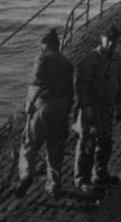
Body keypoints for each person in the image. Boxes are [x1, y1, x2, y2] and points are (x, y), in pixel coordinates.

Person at [16, 28, 73, 199]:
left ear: (45, 46)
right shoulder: (67, 63)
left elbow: (35, 86)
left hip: (44, 107)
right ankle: (54, 184)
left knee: (29, 143)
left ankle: (26, 175)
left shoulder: (42, 59)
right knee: (55, 148)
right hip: (63, 108)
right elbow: (71, 93)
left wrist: (28, 110)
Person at [73, 24, 121, 193]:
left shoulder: (116, 58)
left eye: (114, 41)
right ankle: (82, 180)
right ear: (102, 39)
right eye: (108, 40)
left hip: (108, 107)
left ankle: (100, 174)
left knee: (105, 142)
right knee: (87, 144)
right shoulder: (90, 60)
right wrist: (86, 107)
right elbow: (81, 86)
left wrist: (119, 104)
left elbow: (118, 82)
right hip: (92, 109)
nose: (111, 44)